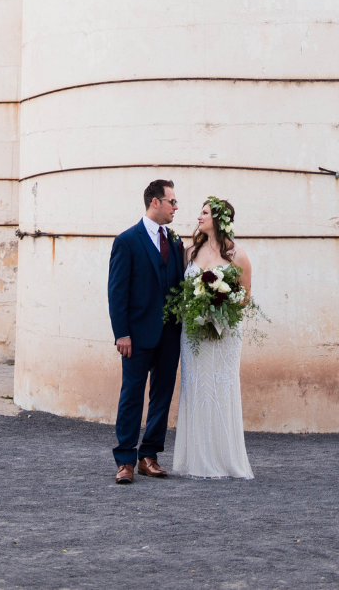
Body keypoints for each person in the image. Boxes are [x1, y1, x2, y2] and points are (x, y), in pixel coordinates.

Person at [170, 196, 254, 480]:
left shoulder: (237, 255)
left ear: (218, 219)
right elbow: (183, 291)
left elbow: (245, 298)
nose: (198, 217)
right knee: (196, 388)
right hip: (194, 333)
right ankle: (198, 459)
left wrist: (219, 308)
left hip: (225, 334)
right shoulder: (190, 252)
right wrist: (198, 309)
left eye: (204, 213)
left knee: (222, 388)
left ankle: (225, 458)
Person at [107, 178, 184, 484]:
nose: (176, 207)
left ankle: (148, 456)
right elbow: (117, 291)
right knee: (131, 396)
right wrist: (121, 333)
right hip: (136, 336)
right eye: (172, 202)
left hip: (169, 335)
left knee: (162, 395)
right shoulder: (127, 240)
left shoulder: (176, 242)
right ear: (156, 202)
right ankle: (124, 460)